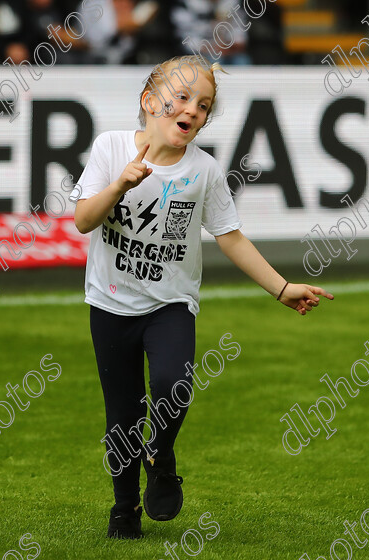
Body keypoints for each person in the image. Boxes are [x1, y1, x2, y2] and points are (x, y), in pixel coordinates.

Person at [72, 55, 333, 539]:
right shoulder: (110, 148)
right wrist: (120, 185)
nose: (192, 109)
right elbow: (84, 220)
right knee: (123, 415)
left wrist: (281, 287)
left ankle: (161, 455)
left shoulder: (205, 171)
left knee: (174, 388)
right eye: (182, 97)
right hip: (109, 305)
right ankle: (125, 509)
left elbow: (231, 236)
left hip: (170, 305)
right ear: (150, 102)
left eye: (204, 105)